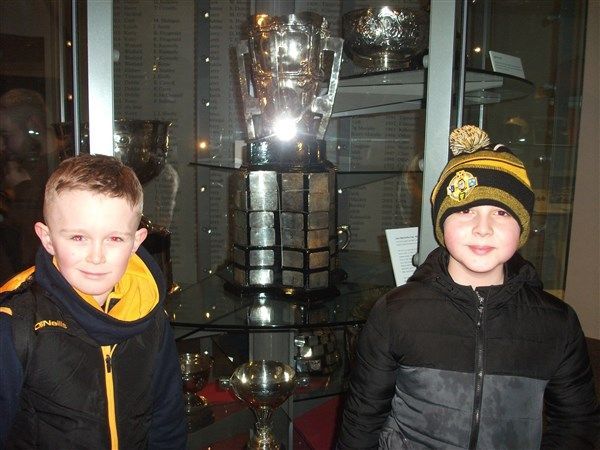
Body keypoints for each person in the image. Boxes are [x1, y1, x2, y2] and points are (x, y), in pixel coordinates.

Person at [337, 125, 599, 449]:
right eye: (465, 210)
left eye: (501, 212)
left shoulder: (557, 323)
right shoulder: (396, 312)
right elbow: (362, 419)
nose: (483, 228)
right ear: (441, 222)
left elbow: (576, 425)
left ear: (522, 227)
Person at [0, 154, 187, 448]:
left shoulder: (149, 314)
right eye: (78, 238)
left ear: (136, 241)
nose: (96, 257)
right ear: (47, 239)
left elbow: (167, 419)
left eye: (114, 239)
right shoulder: (16, 323)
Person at [0, 88, 60, 280]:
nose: (3, 145)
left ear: (33, 127)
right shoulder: (21, 167)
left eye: (7, 136)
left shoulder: (61, 171)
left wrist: (22, 188)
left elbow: (31, 250)